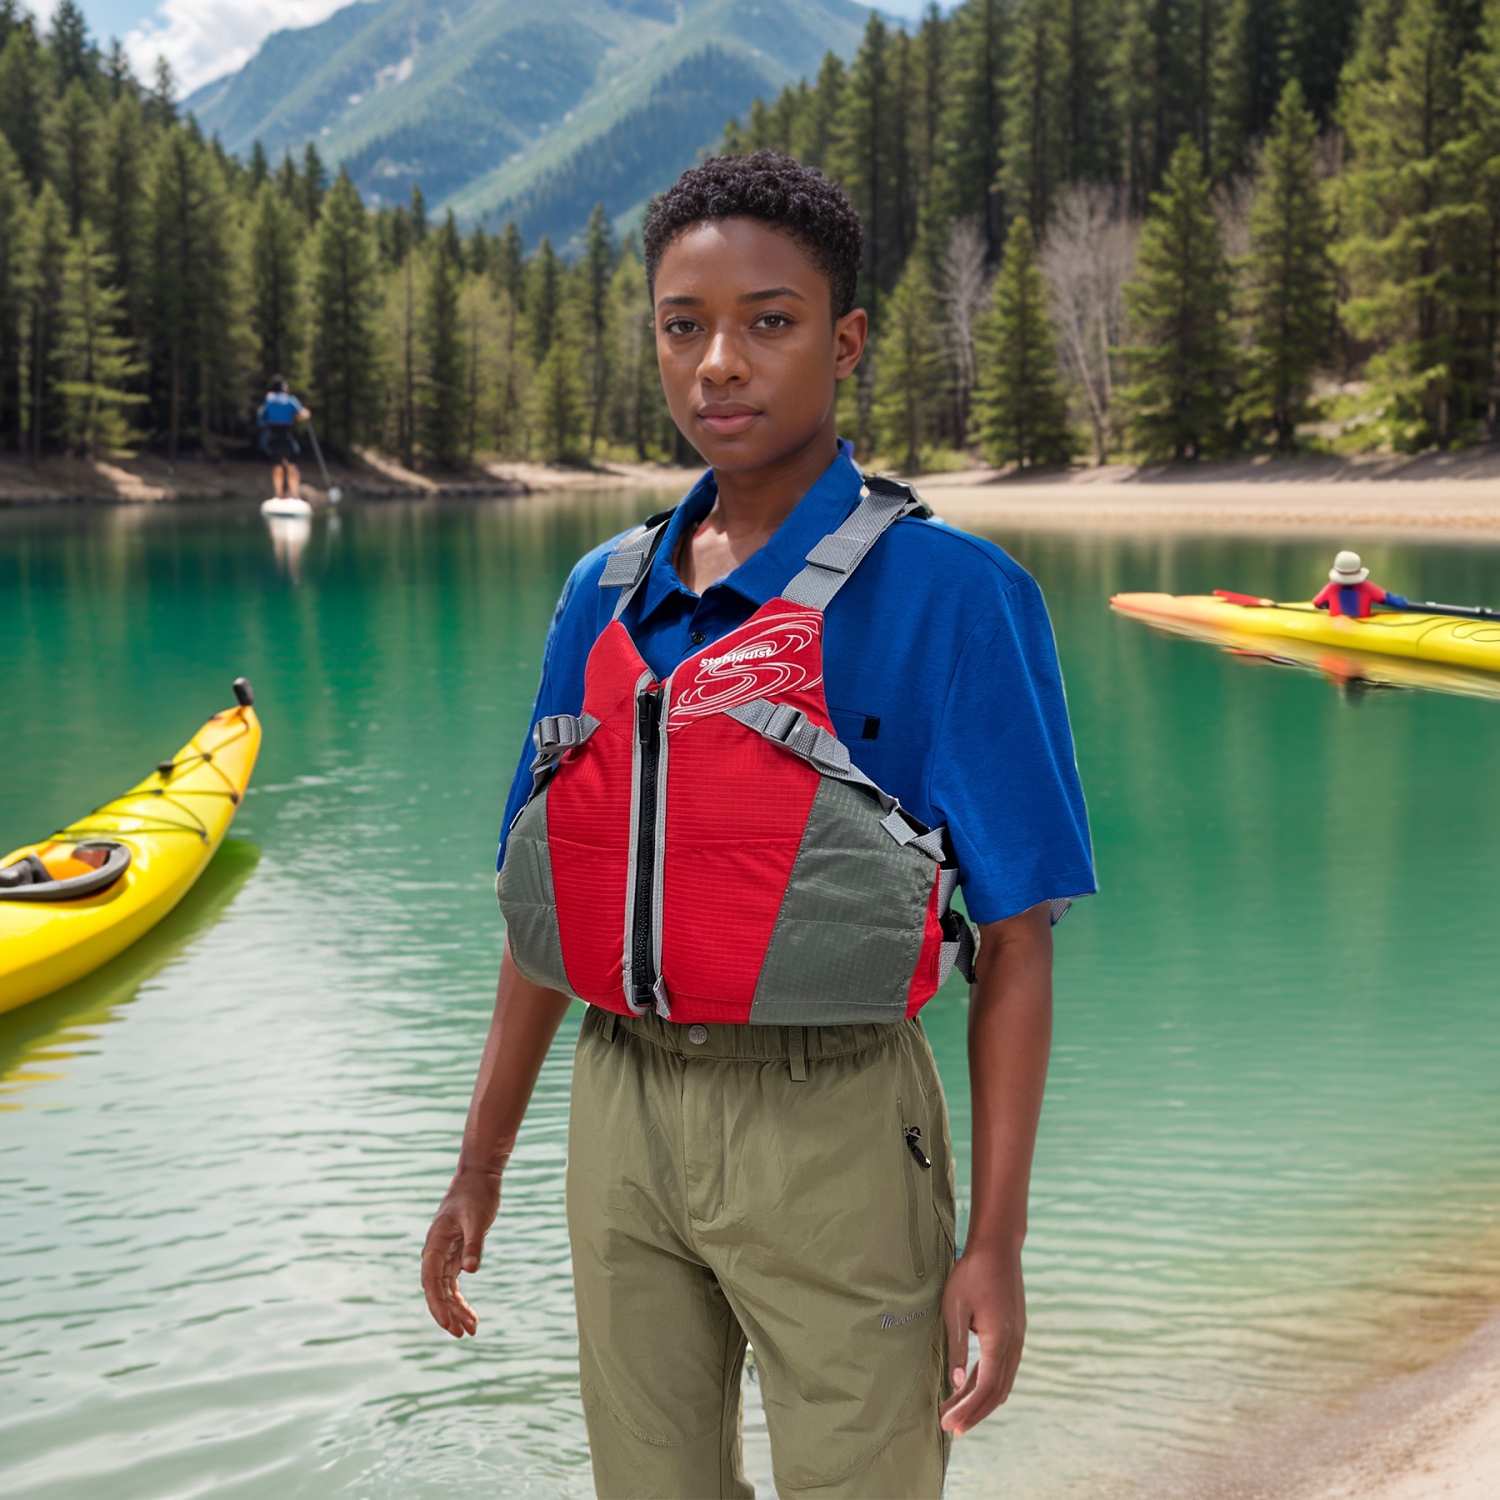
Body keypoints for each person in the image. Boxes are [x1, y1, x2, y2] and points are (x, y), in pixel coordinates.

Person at [421, 152, 1095, 1500]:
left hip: (836, 1118)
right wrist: (477, 1163)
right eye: (684, 325)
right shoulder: (598, 596)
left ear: (843, 343)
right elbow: (548, 901)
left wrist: (997, 1244)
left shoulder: (954, 597)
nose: (719, 362)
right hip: (619, 1117)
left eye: (768, 322)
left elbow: (1016, 946)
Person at [256, 376, 310, 500]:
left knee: (277, 465)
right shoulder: (290, 400)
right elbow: (300, 414)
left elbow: (261, 417)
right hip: (286, 435)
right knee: (292, 465)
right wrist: (307, 413)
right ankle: (294, 495)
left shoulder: (268, 399)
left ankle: (279, 494)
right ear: (284, 389)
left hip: (272, 436)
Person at [1312, 550, 1408, 619]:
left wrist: (1328, 603)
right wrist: (1404, 602)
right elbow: (1393, 600)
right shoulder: (1367, 587)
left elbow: (1317, 602)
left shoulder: (1331, 587)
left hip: (1338, 625)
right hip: (1362, 625)